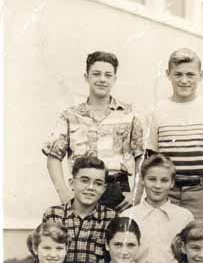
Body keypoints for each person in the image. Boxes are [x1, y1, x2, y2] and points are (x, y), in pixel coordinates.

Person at [43, 51, 144, 210]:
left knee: (117, 234)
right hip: (82, 189)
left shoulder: (129, 114)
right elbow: (53, 157)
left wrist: (137, 192)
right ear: (86, 76)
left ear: (114, 79)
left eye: (108, 75)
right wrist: (63, 192)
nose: (102, 79)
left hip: (117, 189)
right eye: (96, 74)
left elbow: (142, 157)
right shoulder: (70, 116)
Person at [146, 48, 203, 222]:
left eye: (190, 74)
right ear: (168, 74)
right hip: (166, 193)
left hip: (202, 194)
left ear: (201, 75)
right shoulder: (157, 110)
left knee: (202, 244)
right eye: (178, 74)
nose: (184, 80)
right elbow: (152, 157)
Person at [42, 155, 116, 263]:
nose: (91, 188)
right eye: (84, 180)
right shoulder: (54, 215)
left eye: (98, 183)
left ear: (104, 188)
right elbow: (41, 258)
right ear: (72, 183)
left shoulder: (111, 218)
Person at [121, 153, 194, 263]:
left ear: (172, 183)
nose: (157, 186)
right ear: (143, 180)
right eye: (152, 179)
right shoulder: (128, 216)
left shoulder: (184, 217)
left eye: (164, 180)